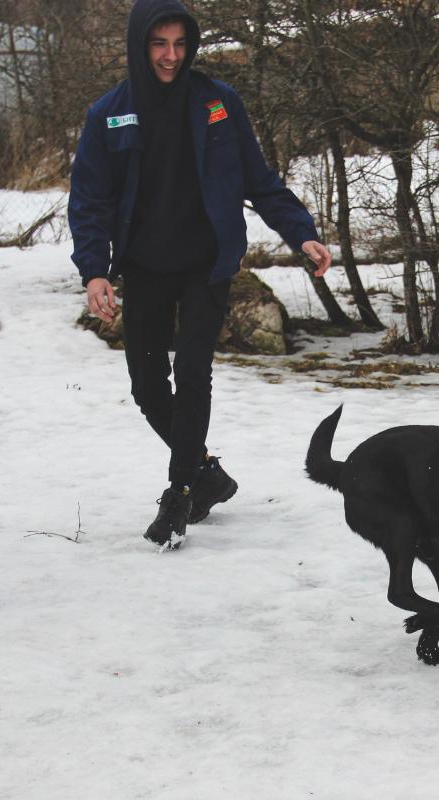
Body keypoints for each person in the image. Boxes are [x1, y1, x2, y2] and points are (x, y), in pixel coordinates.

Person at [69, 0, 332, 549]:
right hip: (143, 267)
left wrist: (300, 232)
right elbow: (89, 201)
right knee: (147, 387)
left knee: (193, 373)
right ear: (141, 46)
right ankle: (208, 473)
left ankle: (180, 491)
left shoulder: (218, 102)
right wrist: (95, 271)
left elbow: (258, 180)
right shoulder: (109, 114)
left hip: (207, 263)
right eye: (159, 44)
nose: (171, 56)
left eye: (180, 44)